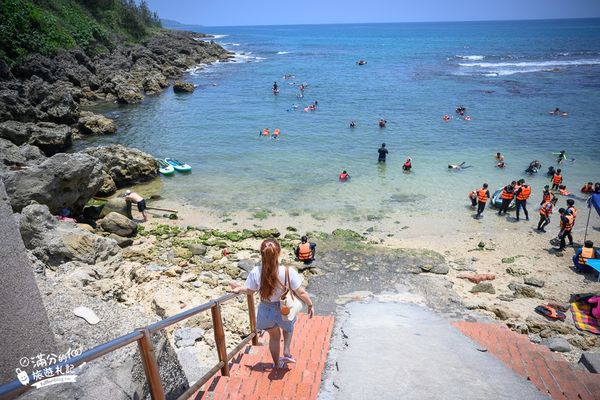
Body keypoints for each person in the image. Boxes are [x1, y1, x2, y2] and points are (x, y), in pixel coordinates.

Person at [230, 239, 313, 369]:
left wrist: (239, 288)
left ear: (262, 254)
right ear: (279, 253)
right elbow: (301, 292)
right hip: (284, 308)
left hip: (266, 310)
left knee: (274, 337)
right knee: (288, 328)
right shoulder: (288, 271)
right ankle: (286, 351)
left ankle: (276, 363)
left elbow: (250, 291)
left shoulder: (256, 271)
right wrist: (310, 305)